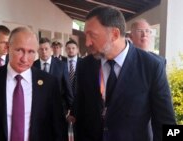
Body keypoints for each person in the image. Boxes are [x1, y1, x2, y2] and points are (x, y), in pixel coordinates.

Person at [73, 6, 176, 141]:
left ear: (115, 34)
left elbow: (167, 122)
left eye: (93, 35)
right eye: (86, 35)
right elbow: (80, 115)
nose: (87, 42)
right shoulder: (85, 65)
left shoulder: (151, 66)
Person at [0, 27, 67, 141]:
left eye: (31, 52)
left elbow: (59, 127)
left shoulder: (49, 83)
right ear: (8, 48)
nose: (24, 58)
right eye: (19, 50)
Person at [33, 38, 73, 116]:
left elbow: (67, 87)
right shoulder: (33, 66)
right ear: (37, 50)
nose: (44, 52)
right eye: (41, 49)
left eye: (46, 49)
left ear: (51, 49)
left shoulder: (61, 65)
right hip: (38, 110)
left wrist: (71, 109)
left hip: (59, 109)